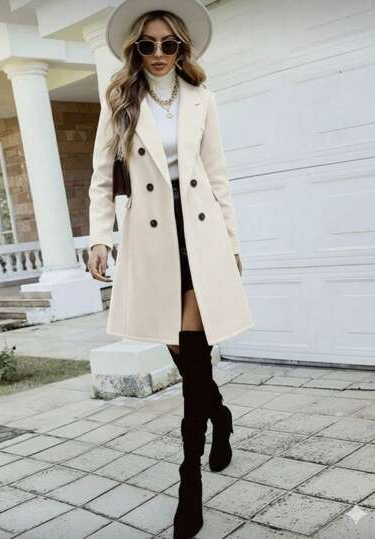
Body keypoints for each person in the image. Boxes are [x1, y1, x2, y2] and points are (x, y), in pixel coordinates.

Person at [87, 1, 254, 537]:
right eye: (147, 44)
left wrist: (231, 243)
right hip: (151, 239)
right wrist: (99, 237)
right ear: (134, 49)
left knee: (194, 352)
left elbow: (217, 175)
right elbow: (101, 177)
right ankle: (220, 415)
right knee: (184, 355)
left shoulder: (203, 99)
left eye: (169, 44)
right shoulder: (120, 100)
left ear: (183, 48)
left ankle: (190, 480)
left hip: (200, 233)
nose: (158, 53)